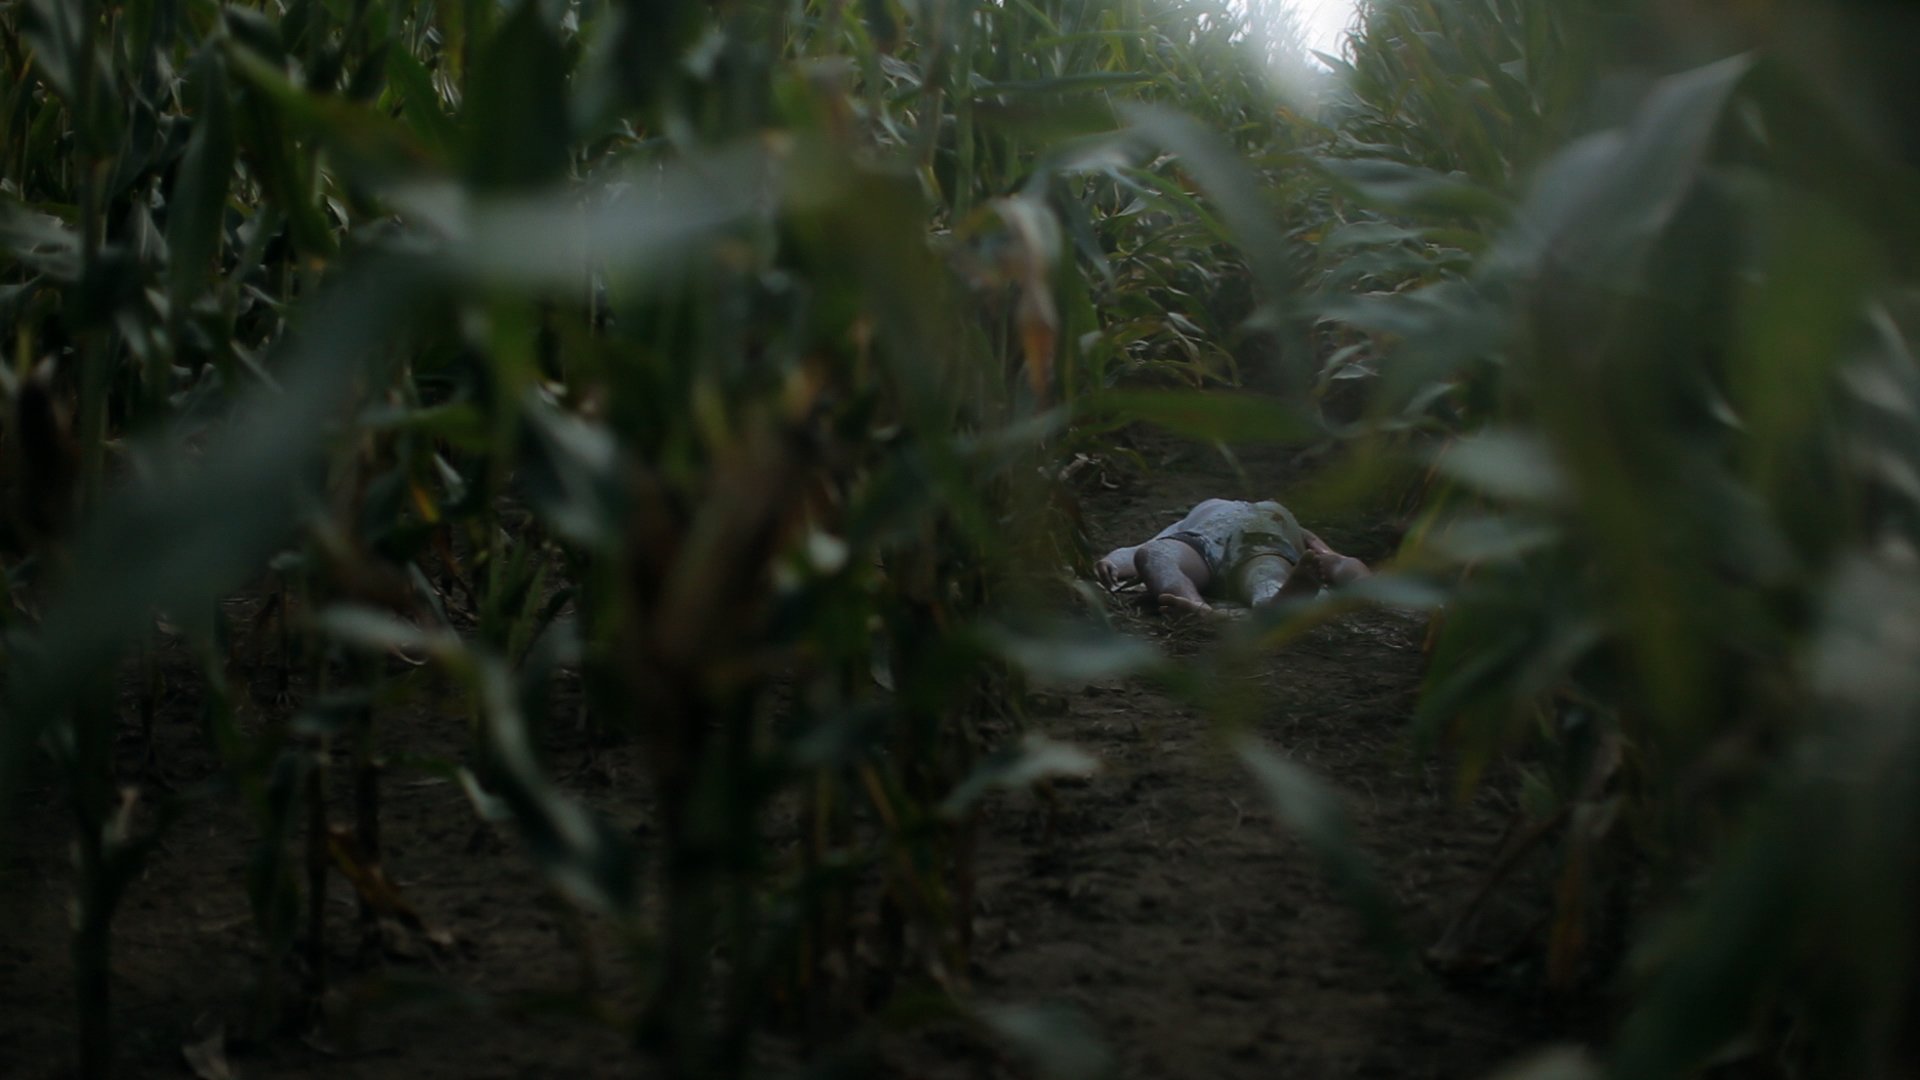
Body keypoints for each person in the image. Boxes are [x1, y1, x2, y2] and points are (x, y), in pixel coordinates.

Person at [1094, 498, 1370, 616]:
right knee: (1155, 554)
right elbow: (1148, 547)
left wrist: (1342, 569)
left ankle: (1277, 601)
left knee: (1268, 573)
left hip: (1265, 543)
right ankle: (1194, 607)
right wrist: (1113, 562)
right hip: (1203, 541)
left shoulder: (1294, 530)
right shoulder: (1203, 515)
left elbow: (1330, 557)